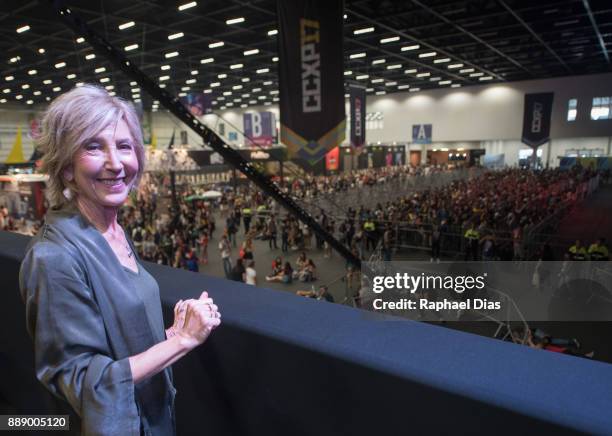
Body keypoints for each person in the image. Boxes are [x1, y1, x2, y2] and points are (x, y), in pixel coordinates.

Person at [18, 85, 221, 436]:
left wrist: (172, 331)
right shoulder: (53, 258)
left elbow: (113, 341)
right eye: (93, 146)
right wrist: (182, 342)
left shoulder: (112, 231)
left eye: (124, 146)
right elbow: (81, 381)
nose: (115, 163)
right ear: (66, 168)